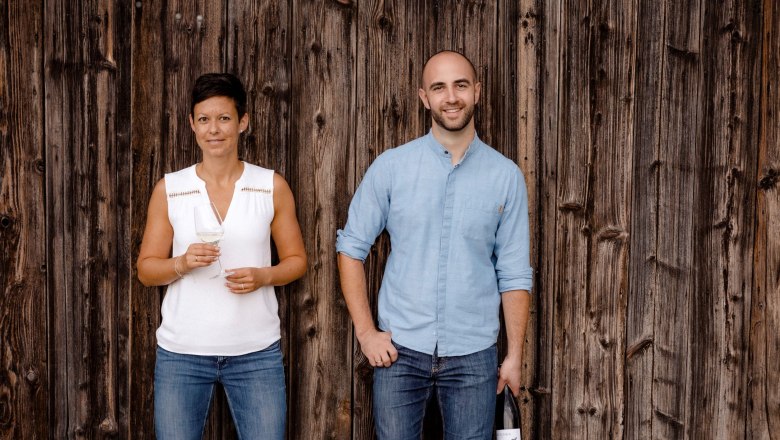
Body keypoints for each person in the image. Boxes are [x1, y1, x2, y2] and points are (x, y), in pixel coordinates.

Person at [336, 50, 532, 439]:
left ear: (476, 91)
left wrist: (513, 357)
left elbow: (513, 274)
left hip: (474, 356)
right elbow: (351, 249)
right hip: (400, 354)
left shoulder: (505, 176)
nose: (451, 97)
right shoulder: (391, 168)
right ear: (424, 97)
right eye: (439, 87)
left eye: (460, 85)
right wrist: (365, 333)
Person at [137, 73, 306, 440]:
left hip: (256, 353)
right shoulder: (171, 188)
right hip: (182, 354)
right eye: (204, 119)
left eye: (224, 118)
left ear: (243, 122)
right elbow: (147, 270)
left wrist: (264, 276)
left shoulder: (270, 186)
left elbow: (296, 261)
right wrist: (181, 263)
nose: (214, 129)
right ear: (192, 125)